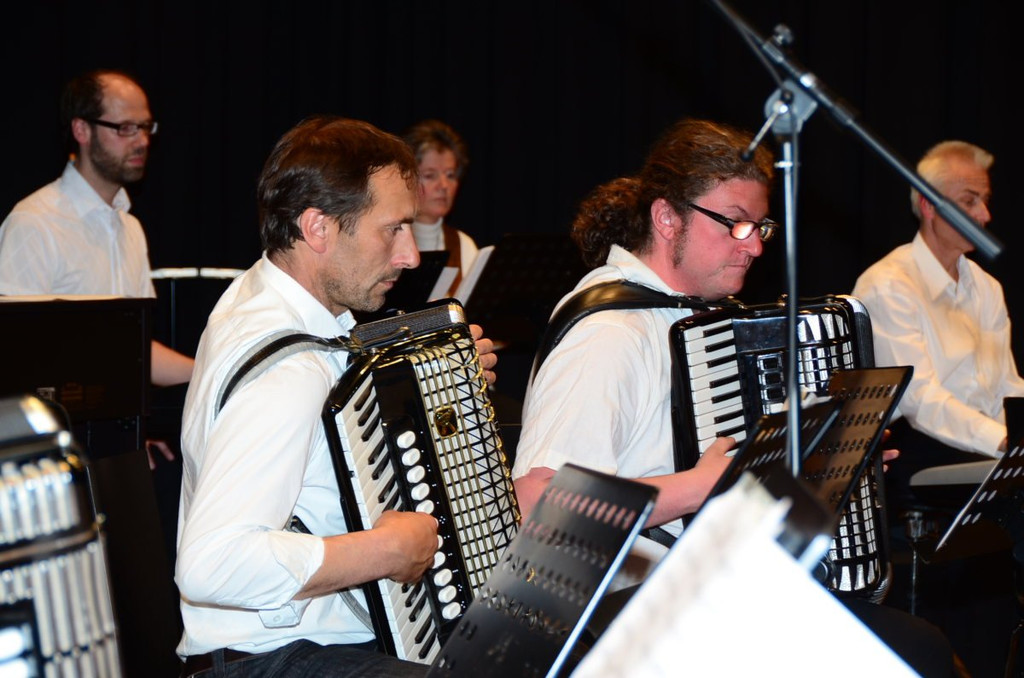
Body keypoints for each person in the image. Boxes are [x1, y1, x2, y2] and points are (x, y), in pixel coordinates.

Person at [512, 118, 955, 677]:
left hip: (707, 590)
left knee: (915, 643)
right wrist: (700, 486)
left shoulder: (692, 317)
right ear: (667, 217)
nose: (754, 246)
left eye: (760, 227)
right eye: (735, 224)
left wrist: (828, 461)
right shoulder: (610, 334)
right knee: (914, 651)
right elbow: (539, 503)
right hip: (630, 617)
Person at [175, 115, 497, 677]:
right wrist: (385, 551)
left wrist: (438, 379)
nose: (410, 256)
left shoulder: (268, 297)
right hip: (270, 658)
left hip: (315, 642)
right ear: (318, 228)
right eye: (392, 230)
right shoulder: (288, 371)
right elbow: (212, 564)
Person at [0, 68, 195, 390]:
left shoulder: (130, 227)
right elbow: (16, 351)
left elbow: (134, 349)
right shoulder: (34, 222)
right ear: (82, 130)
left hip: (118, 418)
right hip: (57, 419)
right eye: (125, 128)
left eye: (145, 127)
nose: (142, 141)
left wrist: (218, 375)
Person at [852, 140, 1024, 504]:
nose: (984, 215)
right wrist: (1004, 441)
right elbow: (920, 400)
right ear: (929, 205)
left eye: (985, 200)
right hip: (915, 452)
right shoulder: (888, 284)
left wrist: (1011, 440)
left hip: (983, 447)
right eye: (969, 201)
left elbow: (1007, 387)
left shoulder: (987, 287)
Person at [401, 119, 479, 295]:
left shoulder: (463, 245)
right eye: (430, 175)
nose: (443, 185)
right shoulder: (388, 242)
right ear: (406, 179)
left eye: (450, 175)